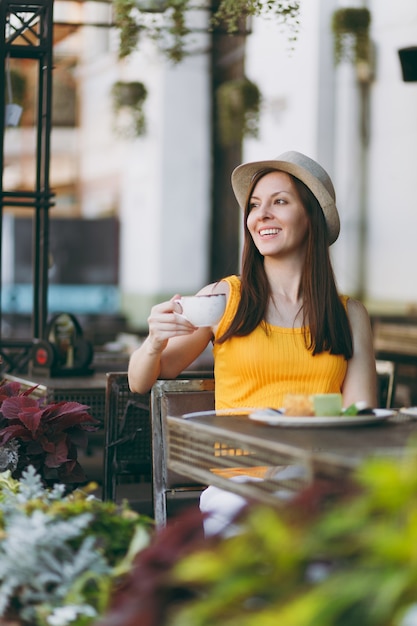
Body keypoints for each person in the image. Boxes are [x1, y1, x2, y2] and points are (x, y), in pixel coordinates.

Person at [128, 150, 377, 411]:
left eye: (279, 202)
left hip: (316, 451)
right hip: (235, 452)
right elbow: (139, 382)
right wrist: (154, 342)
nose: (262, 214)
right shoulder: (222, 298)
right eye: (255, 205)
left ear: (311, 217)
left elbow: (358, 414)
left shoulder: (349, 315)